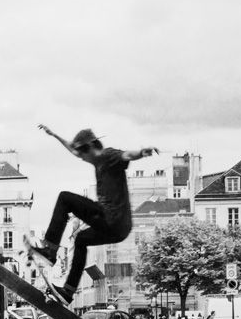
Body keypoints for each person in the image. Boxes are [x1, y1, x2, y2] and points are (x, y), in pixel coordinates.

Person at [30, 126, 158, 305]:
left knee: (64, 198)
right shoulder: (95, 160)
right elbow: (74, 150)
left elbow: (127, 155)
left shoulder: (108, 156)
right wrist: (55, 135)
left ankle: (50, 250)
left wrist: (143, 152)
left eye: (83, 155)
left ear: (90, 148)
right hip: (119, 230)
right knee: (81, 239)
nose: (81, 159)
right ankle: (68, 291)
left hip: (111, 218)